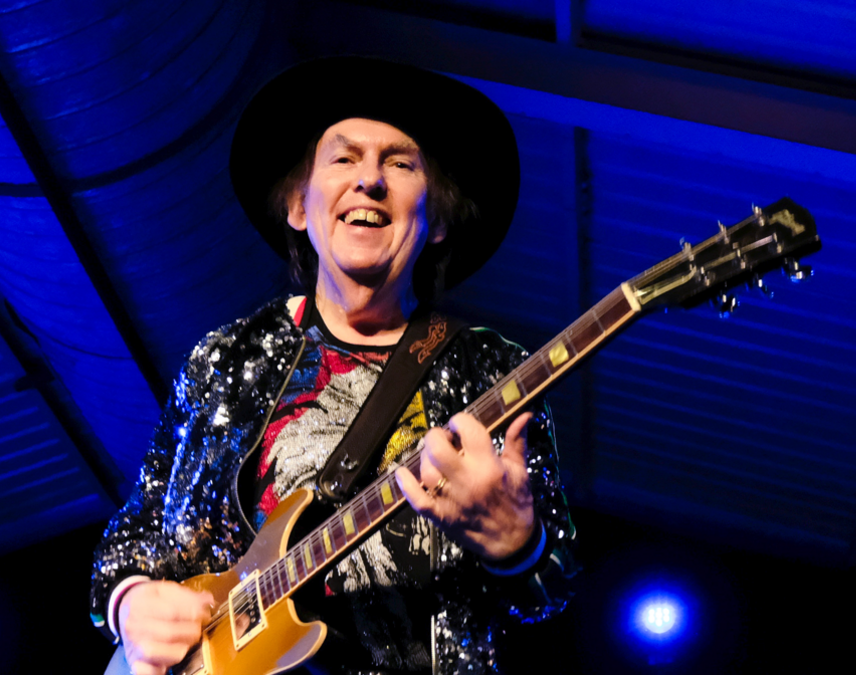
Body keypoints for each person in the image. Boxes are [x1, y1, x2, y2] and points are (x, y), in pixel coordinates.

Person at [90, 57, 578, 675]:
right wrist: (129, 603)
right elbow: (136, 533)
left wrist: (518, 545)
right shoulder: (225, 358)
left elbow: (552, 591)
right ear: (298, 204)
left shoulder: (493, 373)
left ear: (438, 222)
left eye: (400, 163)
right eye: (343, 158)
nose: (369, 181)